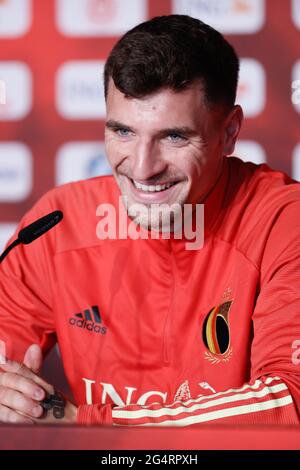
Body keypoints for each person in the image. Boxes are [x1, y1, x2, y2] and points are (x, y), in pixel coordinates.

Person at [0, 14, 300, 426]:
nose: (142, 169)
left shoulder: (284, 222)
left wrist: (87, 425)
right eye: (122, 132)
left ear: (229, 132)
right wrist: (15, 397)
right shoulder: (57, 223)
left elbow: (290, 403)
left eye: (173, 137)